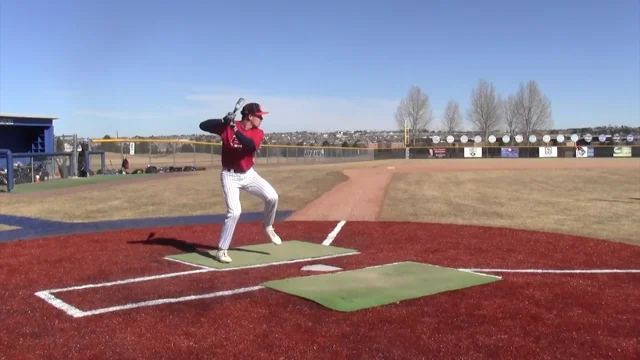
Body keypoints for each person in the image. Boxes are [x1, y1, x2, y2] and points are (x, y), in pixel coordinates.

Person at [199, 102, 281, 263]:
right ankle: (222, 251)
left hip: (248, 174)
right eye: (259, 116)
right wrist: (223, 121)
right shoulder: (227, 127)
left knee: (272, 197)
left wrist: (234, 129)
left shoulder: (258, 132)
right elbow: (203, 125)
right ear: (249, 116)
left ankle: (268, 226)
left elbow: (249, 146)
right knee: (235, 212)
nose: (261, 119)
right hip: (229, 176)